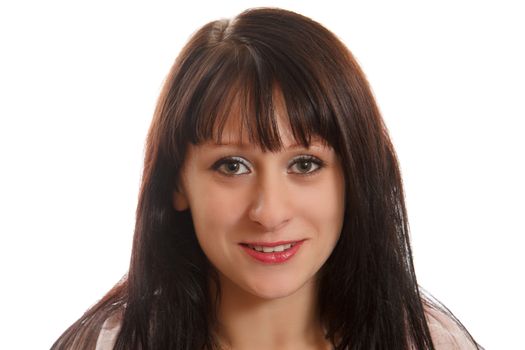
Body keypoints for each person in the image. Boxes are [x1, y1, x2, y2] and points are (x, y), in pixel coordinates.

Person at [51, 7, 482, 350]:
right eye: (232, 166)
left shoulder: (428, 343)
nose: (269, 212)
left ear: (355, 176)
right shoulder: (108, 345)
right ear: (177, 183)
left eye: (305, 164)